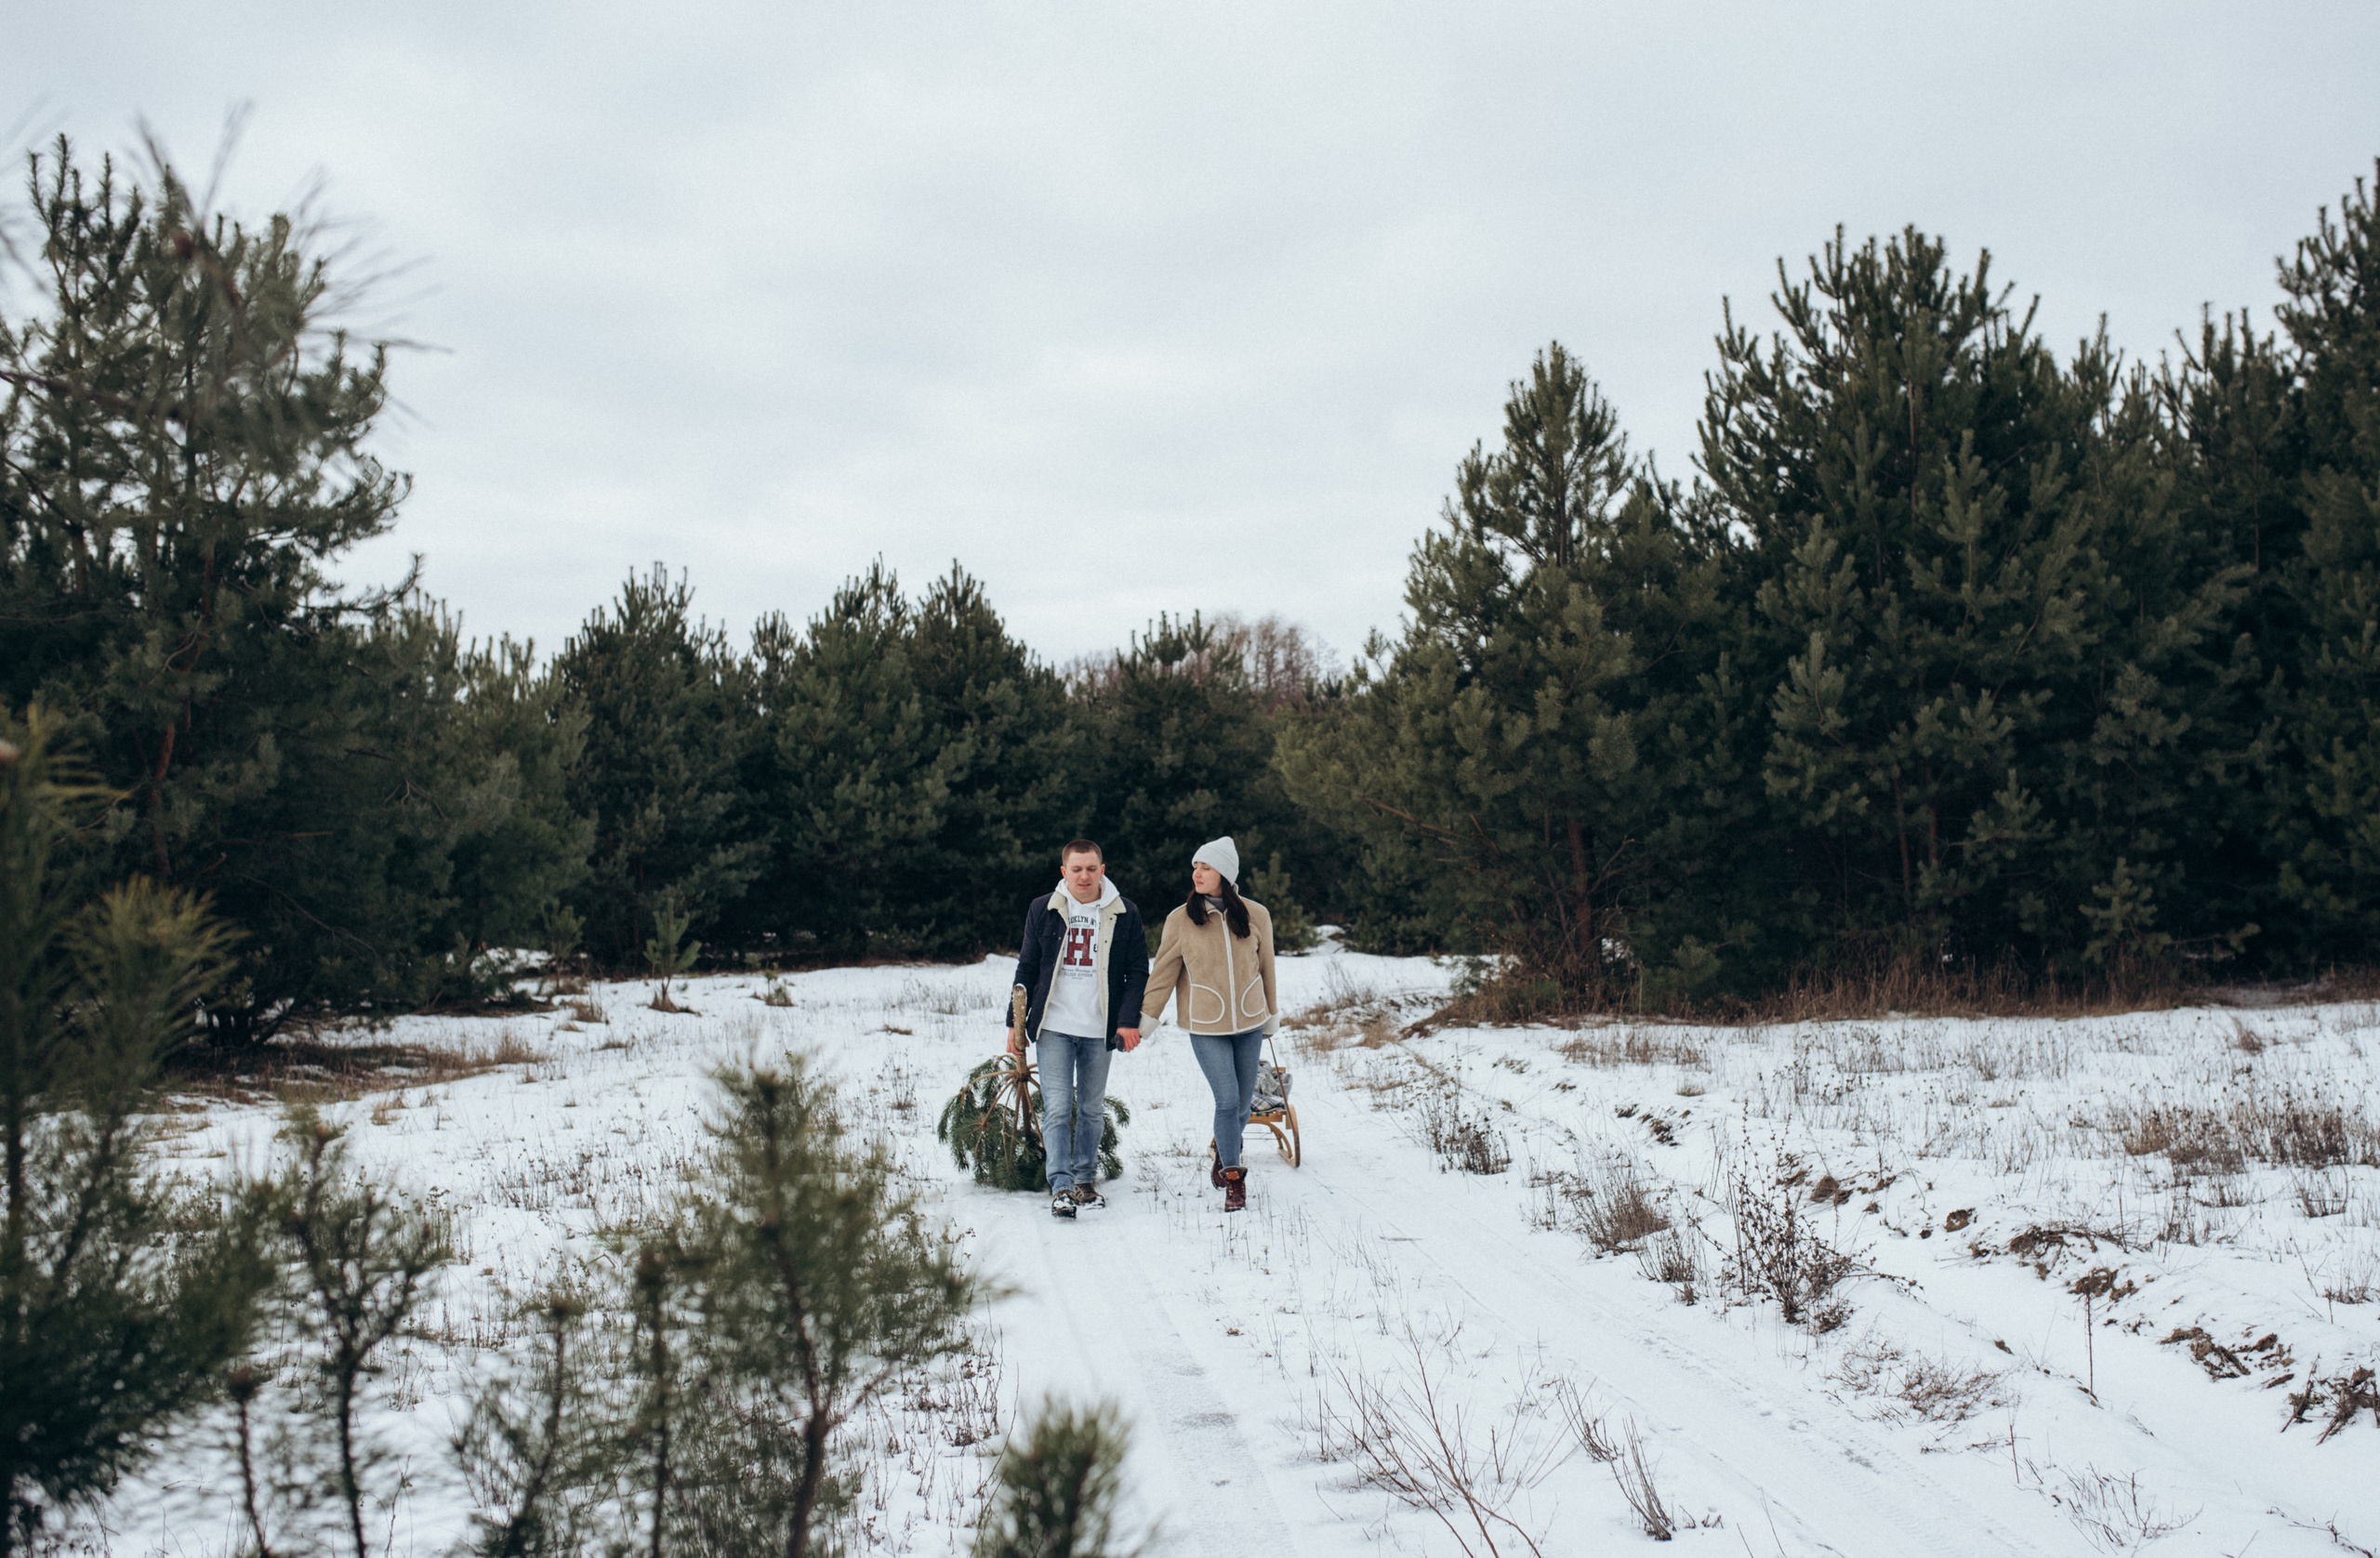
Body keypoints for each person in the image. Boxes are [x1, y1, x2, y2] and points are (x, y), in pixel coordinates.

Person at [1008, 839, 1149, 1220]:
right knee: (1056, 1108)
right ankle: (1062, 1186)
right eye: (1076, 869)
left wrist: (1127, 1020)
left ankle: (1085, 1179)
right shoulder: (1044, 909)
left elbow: (1137, 971)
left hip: (1097, 1028)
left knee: (1089, 1108)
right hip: (1053, 1026)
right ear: (1064, 872)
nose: (1084, 876)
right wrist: (1015, 1024)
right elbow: (1026, 967)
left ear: (1102, 869)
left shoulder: (1124, 912)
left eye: (1091, 868)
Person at [1139, 836, 1278, 1213]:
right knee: (1228, 1099)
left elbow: (1266, 967)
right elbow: (1164, 973)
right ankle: (1234, 1179)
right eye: (1195, 867)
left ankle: (1224, 1149)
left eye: (1206, 867)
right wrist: (1146, 1019)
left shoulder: (1256, 914)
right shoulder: (1180, 919)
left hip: (1250, 1022)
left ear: (1225, 874)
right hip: (1206, 1025)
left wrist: (1271, 1015)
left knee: (1242, 1108)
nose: (1197, 873)